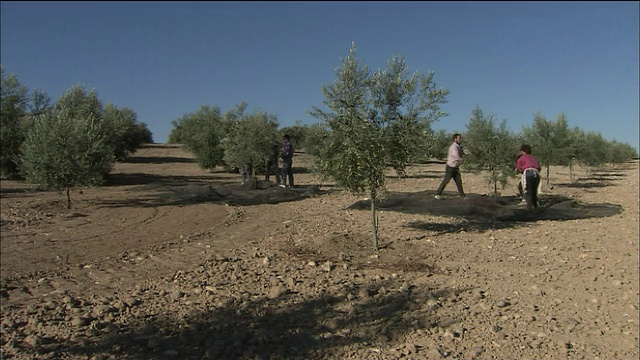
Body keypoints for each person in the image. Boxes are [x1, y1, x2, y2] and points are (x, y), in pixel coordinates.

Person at [434, 133, 465, 199]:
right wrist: (463, 159)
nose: (460, 140)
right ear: (455, 139)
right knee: (446, 181)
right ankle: (437, 194)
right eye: (459, 138)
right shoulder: (454, 147)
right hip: (450, 167)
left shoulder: (458, 147)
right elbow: (456, 157)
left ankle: (462, 195)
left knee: (459, 182)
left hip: (455, 167)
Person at [515, 144, 541, 209]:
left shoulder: (521, 158)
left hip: (528, 173)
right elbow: (539, 168)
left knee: (527, 190)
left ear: (523, 151)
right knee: (534, 191)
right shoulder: (533, 158)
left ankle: (529, 207)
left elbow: (518, 169)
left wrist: (519, 171)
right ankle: (536, 206)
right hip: (536, 174)